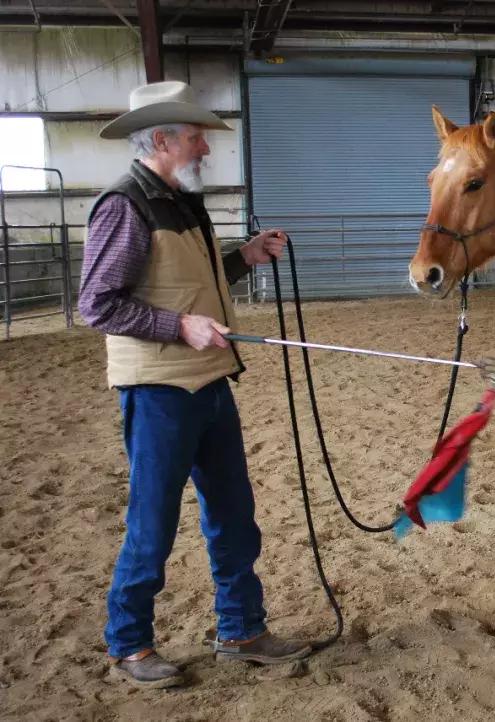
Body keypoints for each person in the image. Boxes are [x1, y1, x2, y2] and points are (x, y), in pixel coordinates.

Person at [79, 81, 310, 689]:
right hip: (158, 389)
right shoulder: (125, 205)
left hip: (208, 381)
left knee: (234, 515)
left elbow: (187, 279)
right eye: (195, 137)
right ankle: (129, 644)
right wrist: (180, 327)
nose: (205, 147)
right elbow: (98, 304)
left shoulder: (183, 202)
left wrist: (244, 256)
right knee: (152, 523)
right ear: (161, 139)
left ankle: (241, 629)